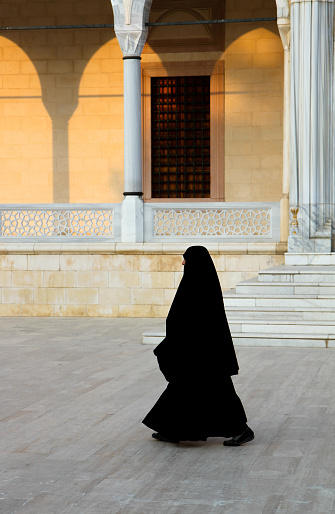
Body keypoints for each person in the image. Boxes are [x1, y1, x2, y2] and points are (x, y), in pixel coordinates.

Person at [142, 245, 254, 446]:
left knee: (217, 391)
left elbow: (198, 319)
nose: (183, 262)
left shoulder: (199, 285)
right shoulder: (200, 282)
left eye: (186, 258)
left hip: (203, 351)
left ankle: (241, 429)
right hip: (196, 349)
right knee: (184, 389)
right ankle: (171, 429)